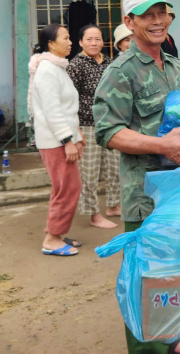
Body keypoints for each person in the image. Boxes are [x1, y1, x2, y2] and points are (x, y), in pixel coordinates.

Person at [93, 0, 180, 354]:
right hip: (144, 197)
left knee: (174, 277)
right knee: (144, 283)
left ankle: (172, 343)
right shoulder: (121, 71)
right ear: (129, 21)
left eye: (162, 13)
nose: (157, 21)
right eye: (147, 15)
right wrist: (162, 146)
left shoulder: (174, 67)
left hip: (178, 193)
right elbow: (108, 132)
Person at [28, 23, 84, 257]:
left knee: (64, 187)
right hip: (55, 141)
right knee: (68, 188)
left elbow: (67, 108)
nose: (70, 42)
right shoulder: (48, 71)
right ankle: (51, 239)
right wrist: (67, 140)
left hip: (59, 139)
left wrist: (77, 137)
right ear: (51, 44)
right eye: (65, 38)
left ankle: (57, 232)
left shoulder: (57, 68)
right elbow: (52, 111)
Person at [67, 25, 121, 229]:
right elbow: (69, 99)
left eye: (97, 39)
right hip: (86, 125)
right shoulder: (76, 64)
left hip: (109, 123)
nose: (94, 43)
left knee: (114, 167)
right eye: (89, 39)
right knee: (89, 173)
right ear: (80, 42)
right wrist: (75, 128)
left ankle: (113, 205)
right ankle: (93, 214)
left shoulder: (108, 62)